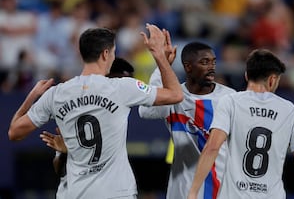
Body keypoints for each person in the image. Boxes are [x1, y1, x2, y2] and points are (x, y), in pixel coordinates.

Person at [8, 24, 183, 198]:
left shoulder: (56, 94)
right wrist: (159, 55)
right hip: (117, 193)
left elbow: (14, 132)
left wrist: (32, 96)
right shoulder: (121, 87)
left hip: (76, 193)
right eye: (113, 52)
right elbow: (175, 94)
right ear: (105, 54)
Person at [188, 49, 294, 199]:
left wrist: (193, 192)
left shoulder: (230, 102)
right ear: (272, 80)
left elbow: (212, 147)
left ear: (246, 75)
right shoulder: (289, 109)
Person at [138, 41, 236, 199]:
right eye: (205, 62)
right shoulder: (174, 96)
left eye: (213, 62)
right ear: (188, 66)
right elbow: (145, 111)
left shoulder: (229, 98)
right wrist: (162, 64)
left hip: (219, 189)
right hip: (179, 188)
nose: (212, 67)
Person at [40, 56, 136, 199]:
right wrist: (67, 152)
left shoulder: (118, 113)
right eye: (121, 81)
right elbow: (59, 170)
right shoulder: (78, 108)